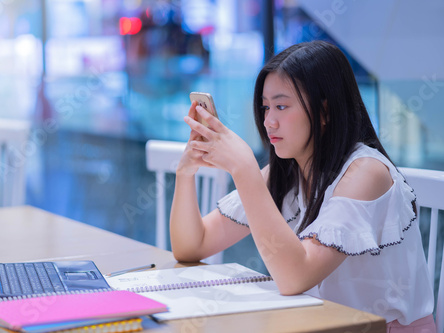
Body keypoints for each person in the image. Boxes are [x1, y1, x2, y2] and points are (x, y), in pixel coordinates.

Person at [170, 40, 436, 332]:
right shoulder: (287, 172)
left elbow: (295, 277)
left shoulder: (366, 172)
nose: (269, 121)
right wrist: (186, 173)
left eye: (282, 106)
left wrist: (244, 168)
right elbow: (191, 246)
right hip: (317, 324)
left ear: (324, 112)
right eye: (265, 107)